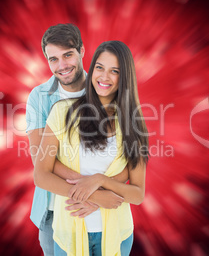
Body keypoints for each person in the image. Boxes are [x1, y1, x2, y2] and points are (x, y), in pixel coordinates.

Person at [34, 40, 149, 256]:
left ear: (124, 78)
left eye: (114, 71)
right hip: (68, 233)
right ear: (92, 67)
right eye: (99, 67)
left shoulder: (134, 124)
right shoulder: (62, 112)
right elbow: (41, 175)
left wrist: (101, 181)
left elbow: (138, 193)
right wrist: (93, 197)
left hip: (117, 234)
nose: (104, 77)